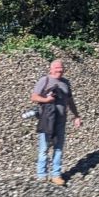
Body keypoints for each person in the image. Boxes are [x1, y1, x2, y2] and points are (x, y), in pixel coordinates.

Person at [30, 57, 82, 185]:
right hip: (47, 120)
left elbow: (70, 101)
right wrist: (46, 100)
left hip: (61, 120)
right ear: (51, 69)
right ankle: (42, 175)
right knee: (44, 147)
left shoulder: (65, 83)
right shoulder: (45, 80)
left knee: (58, 148)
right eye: (57, 68)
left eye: (61, 68)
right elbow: (34, 97)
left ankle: (56, 175)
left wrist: (76, 116)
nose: (59, 70)